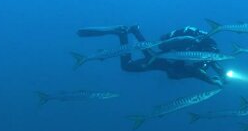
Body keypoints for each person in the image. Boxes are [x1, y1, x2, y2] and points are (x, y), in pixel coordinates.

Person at [76, 25, 226, 86]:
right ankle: (130, 31)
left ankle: (127, 32)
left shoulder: (208, 55)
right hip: (165, 59)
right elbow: (195, 70)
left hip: (165, 61)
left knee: (146, 55)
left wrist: (218, 72)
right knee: (144, 57)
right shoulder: (199, 56)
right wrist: (211, 81)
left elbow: (209, 64)